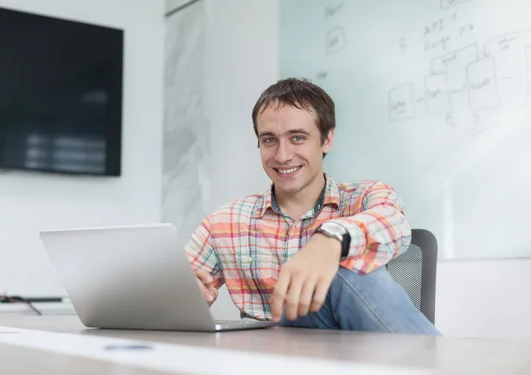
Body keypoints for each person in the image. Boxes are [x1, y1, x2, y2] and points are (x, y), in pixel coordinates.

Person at [185, 78, 440, 335]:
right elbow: (173, 283)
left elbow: (395, 223)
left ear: (327, 139)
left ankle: (433, 367)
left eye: (297, 137)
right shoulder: (225, 222)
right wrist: (186, 293)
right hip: (264, 361)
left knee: (342, 272)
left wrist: (329, 242)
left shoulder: (364, 197)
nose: (282, 155)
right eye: (269, 140)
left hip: (349, 359)